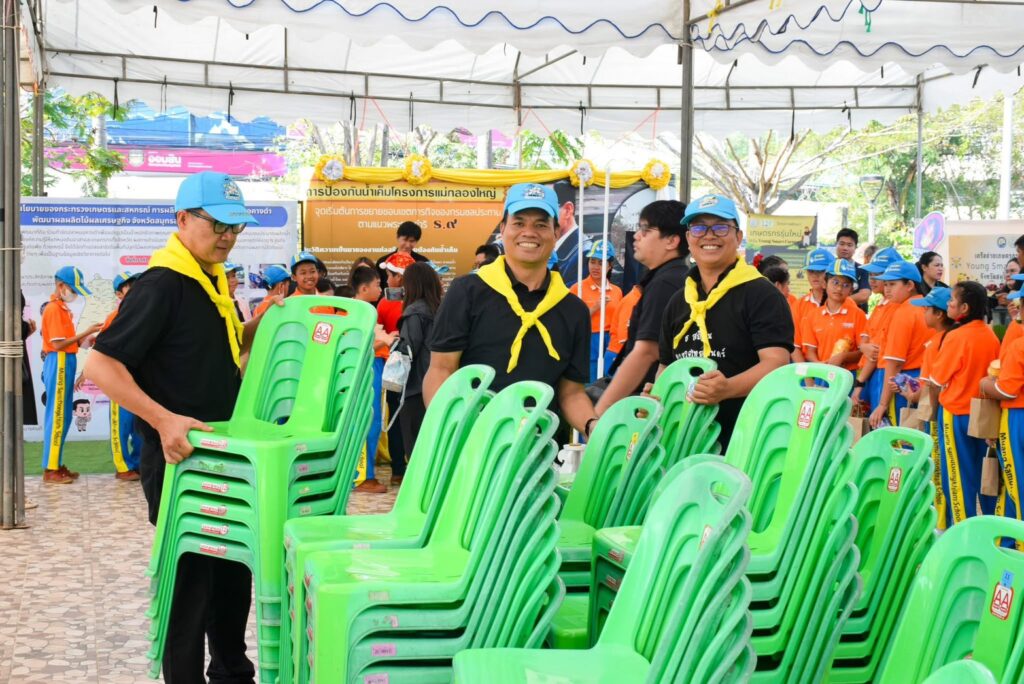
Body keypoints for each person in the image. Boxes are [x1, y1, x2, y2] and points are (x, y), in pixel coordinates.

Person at [85, 171, 277, 684]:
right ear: (184, 219)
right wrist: (163, 419)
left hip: (224, 458)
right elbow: (100, 364)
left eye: (235, 227)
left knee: (231, 576)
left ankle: (232, 673)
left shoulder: (209, 279)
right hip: (181, 463)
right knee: (190, 587)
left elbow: (217, 349)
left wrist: (262, 324)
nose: (228, 236)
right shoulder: (162, 284)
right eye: (218, 225)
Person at [425, 182, 595, 439]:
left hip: (539, 449)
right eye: (519, 223)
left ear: (556, 232)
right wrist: (448, 433)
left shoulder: (574, 310)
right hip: (471, 444)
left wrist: (592, 426)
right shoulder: (467, 291)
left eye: (541, 225)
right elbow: (441, 369)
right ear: (503, 229)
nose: (529, 232)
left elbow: (571, 393)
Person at [657, 194, 793, 448]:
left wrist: (726, 388)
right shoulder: (678, 300)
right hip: (684, 440)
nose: (709, 236)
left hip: (746, 439)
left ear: (738, 237)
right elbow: (666, 366)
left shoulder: (761, 294)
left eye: (720, 227)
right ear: (688, 238)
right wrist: (659, 395)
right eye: (699, 228)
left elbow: (776, 363)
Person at [593, 200, 688, 415]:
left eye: (645, 230)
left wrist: (600, 414)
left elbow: (647, 352)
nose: (636, 236)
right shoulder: (671, 278)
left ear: (671, 241)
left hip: (647, 404)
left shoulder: (666, 284)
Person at [930, 281, 1001, 525]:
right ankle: (990, 528)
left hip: (956, 414)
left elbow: (937, 379)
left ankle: (962, 529)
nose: (948, 304)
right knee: (986, 476)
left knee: (958, 476)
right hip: (985, 414)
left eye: (952, 300)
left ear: (964, 308)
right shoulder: (991, 335)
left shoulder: (956, 337)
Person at [40, 266, 100, 484]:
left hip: (65, 361)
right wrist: (86, 332)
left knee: (63, 416)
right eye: (73, 289)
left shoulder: (62, 309)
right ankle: (50, 469)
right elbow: (58, 345)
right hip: (59, 362)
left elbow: (67, 343)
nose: (74, 294)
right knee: (57, 415)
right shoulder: (53, 309)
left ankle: (55, 464)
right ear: (60, 286)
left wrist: (86, 340)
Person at [905, 286, 954, 530]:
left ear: (939, 314)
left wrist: (909, 393)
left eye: (927, 309)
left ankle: (940, 522)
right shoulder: (949, 338)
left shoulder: (937, 343)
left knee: (939, 466)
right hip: (948, 408)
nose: (923, 313)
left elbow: (928, 386)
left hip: (937, 410)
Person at [394, 263, 443, 484]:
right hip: (441, 387)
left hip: (415, 388)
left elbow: (407, 351)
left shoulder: (414, 313)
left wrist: (391, 342)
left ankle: (418, 492)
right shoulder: (441, 310)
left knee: (415, 447)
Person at [869, 260, 931, 429]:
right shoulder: (928, 308)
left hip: (902, 383)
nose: (887, 289)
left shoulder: (904, 312)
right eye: (886, 284)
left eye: (892, 284)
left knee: (898, 437)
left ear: (910, 285)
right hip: (925, 381)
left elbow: (895, 363)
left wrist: (882, 404)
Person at [981, 297, 1024, 530]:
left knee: (1015, 481)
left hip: (1017, 417)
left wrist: (985, 384)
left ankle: (1018, 542)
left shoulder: (1019, 345)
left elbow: (1007, 391)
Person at [101, 271, 145, 481]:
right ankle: (122, 466)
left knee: (139, 426)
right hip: (118, 380)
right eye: (129, 286)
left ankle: (138, 463)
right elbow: (100, 351)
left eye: (137, 284)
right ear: (119, 294)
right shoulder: (113, 317)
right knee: (121, 425)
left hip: (139, 381)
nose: (135, 289)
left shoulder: (144, 314)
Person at [377, 252, 415, 489]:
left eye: (389, 275)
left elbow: (378, 332)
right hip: (414, 369)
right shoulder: (422, 301)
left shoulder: (385, 303)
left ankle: (398, 471)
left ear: (399, 278)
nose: (387, 280)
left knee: (396, 420)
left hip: (394, 368)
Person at [852, 246, 904, 412]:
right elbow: (865, 340)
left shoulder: (897, 309)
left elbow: (875, 352)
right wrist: (863, 346)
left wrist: (859, 383)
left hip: (883, 374)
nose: (872, 280)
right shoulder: (880, 306)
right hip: (871, 373)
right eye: (871, 275)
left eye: (878, 275)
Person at [570, 240, 623, 382]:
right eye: (592, 262)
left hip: (611, 340)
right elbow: (572, 321)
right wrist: (595, 307)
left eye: (601, 263)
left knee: (610, 381)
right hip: (589, 338)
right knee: (591, 381)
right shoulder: (577, 288)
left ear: (610, 266)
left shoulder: (617, 291)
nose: (595, 267)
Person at [801, 259, 867, 371]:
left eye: (846, 285)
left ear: (851, 290)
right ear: (824, 284)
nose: (839, 288)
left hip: (847, 375)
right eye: (835, 282)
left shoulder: (858, 315)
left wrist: (844, 356)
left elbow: (863, 352)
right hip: (820, 373)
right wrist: (820, 364)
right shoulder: (813, 315)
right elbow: (810, 351)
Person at [792, 247, 832, 364]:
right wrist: (806, 373)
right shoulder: (798, 305)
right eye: (811, 271)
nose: (815, 275)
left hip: (838, 368)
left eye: (820, 271)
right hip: (807, 367)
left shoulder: (846, 303)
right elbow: (795, 346)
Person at [375, 221, 429, 292]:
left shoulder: (423, 262)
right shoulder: (383, 261)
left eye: (412, 241)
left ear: (416, 241)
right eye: (405, 240)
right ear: (398, 237)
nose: (407, 245)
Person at [834, 228, 872, 309]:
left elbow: (864, 295)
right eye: (842, 244)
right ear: (836, 244)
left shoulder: (862, 270)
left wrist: (837, 302)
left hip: (856, 314)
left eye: (849, 245)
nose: (845, 248)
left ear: (855, 248)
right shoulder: (828, 267)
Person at [606, 284, 640, 369]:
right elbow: (623, 335)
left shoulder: (636, 299)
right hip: (618, 354)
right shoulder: (632, 301)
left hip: (620, 353)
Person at [989, 257, 1020, 326]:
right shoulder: (997, 295)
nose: (1008, 274)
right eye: (1007, 272)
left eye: (1012, 271)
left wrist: (1014, 301)